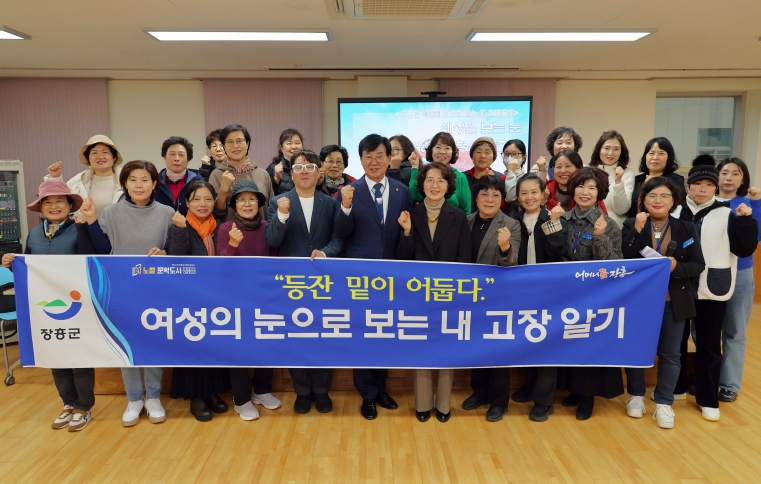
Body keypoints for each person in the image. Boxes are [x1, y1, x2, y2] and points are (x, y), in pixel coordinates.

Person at [77, 160, 175, 427]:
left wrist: (166, 252)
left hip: (156, 289)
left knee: (154, 344)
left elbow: (175, 247)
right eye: (133, 180)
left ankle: (153, 397)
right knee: (126, 344)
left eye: (144, 180)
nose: (138, 185)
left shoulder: (167, 213)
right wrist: (91, 219)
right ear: (125, 184)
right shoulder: (111, 212)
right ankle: (134, 399)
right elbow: (103, 248)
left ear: (154, 184)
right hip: (121, 289)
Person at [2, 180, 94, 432]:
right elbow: (27, 266)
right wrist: (11, 262)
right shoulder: (34, 234)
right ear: (41, 208)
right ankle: (68, 403)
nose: (54, 206)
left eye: (59, 201)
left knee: (80, 356)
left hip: (77, 304)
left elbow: (91, 260)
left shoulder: (79, 229)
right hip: (45, 306)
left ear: (69, 205)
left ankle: (84, 407)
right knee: (55, 356)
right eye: (48, 202)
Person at [334, 133, 412, 420]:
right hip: (361, 277)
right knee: (364, 335)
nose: (374, 161)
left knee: (385, 333)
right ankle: (366, 394)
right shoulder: (349, 191)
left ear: (390, 158)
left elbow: (403, 230)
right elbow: (341, 234)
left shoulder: (402, 191)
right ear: (361, 160)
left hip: (392, 276)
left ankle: (381, 389)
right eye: (368, 156)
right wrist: (345, 207)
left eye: (380, 155)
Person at [677, 157, 757, 422]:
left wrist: (746, 222)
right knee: (676, 341)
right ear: (688, 186)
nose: (703, 189)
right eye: (697, 183)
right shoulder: (676, 211)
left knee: (709, 344)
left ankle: (708, 397)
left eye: (709, 184)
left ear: (715, 188)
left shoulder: (727, 212)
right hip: (678, 285)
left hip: (712, 287)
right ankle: (676, 388)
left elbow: (744, 249)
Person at [621, 177, 705, 429]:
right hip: (639, 301)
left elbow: (698, 264)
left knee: (671, 354)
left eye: (664, 196)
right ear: (643, 200)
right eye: (652, 195)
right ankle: (636, 395)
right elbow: (623, 258)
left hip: (673, 301)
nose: (658, 201)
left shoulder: (686, 228)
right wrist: (636, 230)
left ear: (673, 201)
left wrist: (676, 266)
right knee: (636, 350)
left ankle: (664, 402)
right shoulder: (631, 223)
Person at [266, 149, 343, 414]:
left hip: (324, 282)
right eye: (299, 168)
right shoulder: (278, 201)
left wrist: (325, 253)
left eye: (310, 167)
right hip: (292, 284)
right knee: (295, 336)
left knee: (324, 336)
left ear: (320, 172)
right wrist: (282, 216)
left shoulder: (330, 203)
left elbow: (339, 239)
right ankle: (302, 391)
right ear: (291, 173)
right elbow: (272, 240)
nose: (305, 172)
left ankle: (321, 390)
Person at [397, 162, 471, 423]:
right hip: (418, 295)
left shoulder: (458, 215)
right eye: (430, 179)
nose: (435, 185)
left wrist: (455, 292)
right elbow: (402, 260)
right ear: (422, 184)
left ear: (449, 185)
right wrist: (407, 232)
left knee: (446, 349)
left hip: (448, 294)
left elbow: (464, 258)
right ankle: (423, 404)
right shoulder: (411, 214)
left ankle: (443, 405)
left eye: (441, 180)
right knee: (422, 348)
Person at [556, 167, 624, 420]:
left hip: (595, 297)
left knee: (588, 345)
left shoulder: (608, 224)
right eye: (581, 186)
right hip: (566, 294)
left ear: (600, 192)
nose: (585, 192)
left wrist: (599, 236)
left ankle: (587, 398)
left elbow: (615, 265)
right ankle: (573, 390)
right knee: (568, 342)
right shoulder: (563, 219)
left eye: (592, 188)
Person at [163, 179, 231, 422]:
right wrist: (180, 230)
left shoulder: (219, 227)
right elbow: (177, 260)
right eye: (196, 199)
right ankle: (196, 397)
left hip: (216, 297)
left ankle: (212, 392)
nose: (203, 204)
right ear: (187, 202)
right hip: (189, 298)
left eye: (208, 199)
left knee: (214, 346)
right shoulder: (179, 224)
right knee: (193, 347)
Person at [507, 173, 568, 421]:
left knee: (547, 344)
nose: (529, 197)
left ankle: (544, 401)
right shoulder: (513, 220)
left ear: (544, 195)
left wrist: (553, 224)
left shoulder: (554, 217)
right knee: (527, 340)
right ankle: (530, 387)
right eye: (524, 193)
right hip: (521, 292)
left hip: (549, 293)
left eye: (534, 192)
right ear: (518, 197)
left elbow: (558, 252)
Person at [460, 175, 520, 422]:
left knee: (497, 350)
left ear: (502, 199)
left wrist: (505, 247)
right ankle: (480, 393)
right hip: (469, 297)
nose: (490, 199)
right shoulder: (465, 221)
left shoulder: (511, 224)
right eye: (484, 193)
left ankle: (498, 402)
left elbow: (513, 262)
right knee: (475, 346)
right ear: (476, 197)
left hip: (497, 299)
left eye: (496, 194)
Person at [216, 180, 276, 420]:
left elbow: (275, 259)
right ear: (235, 205)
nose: (248, 204)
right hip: (236, 297)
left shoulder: (267, 226)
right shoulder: (225, 228)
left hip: (264, 295)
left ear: (259, 203)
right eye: (242, 200)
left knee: (266, 342)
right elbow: (221, 266)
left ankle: (261, 389)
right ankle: (241, 399)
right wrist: (232, 245)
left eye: (252, 199)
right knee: (238, 347)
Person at [715, 157, 761, 402]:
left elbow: (758, 235)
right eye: (724, 172)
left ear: (743, 179)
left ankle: (729, 385)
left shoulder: (749, 202)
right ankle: (707, 378)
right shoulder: (707, 201)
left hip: (741, 273)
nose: (729, 178)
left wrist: (757, 204)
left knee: (735, 331)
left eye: (735, 173)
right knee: (705, 330)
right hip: (711, 272)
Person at [45, 134, 125, 218]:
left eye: (105, 152)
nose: (100, 157)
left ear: (114, 157)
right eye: (94, 153)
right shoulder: (77, 182)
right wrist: (55, 178)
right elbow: (57, 199)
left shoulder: (127, 181)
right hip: (83, 226)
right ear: (88, 158)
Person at [209, 124, 275, 223]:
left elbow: (272, 210)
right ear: (224, 146)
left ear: (247, 144)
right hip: (231, 232)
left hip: (262, 231)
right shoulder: (217, 175)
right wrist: (223, 190)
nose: (235, 146)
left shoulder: (263, 174)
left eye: (239, 141)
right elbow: (215, 214)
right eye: (230, 142)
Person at [408, 131, 472, 213]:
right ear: (431, 150)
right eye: (438, 147)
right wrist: (414, 167)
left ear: (453, 152)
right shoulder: (424, 173)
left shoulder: (460, 177)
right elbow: (414, 195)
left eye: (447, 148)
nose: (442, 152)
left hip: (454, 221)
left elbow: (466, 211)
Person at [628, 137, 685, 218]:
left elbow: (679, 209)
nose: (655, 157)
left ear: (669, 157)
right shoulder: (636, 180)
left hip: (664, 225)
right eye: (651, 153)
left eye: (661, 153)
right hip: (635, 224)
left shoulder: (675, 180)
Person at [588, 130, 635, 227]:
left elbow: (621, 210)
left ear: (621, 152)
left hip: (613, 230)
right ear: (599, 149)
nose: (611, 153)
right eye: (607, 148)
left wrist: (618, 182)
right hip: (587, 228)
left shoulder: (627, 174)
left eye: (616, 149)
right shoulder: (587, 171)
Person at [155, 136, 205, 215]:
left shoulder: (198, 182)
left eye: (181, 155)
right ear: (164, 156)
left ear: (188, 158)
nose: (177, 159)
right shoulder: (155, 182)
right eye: (172, 154)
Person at [464, 137, 506, 211]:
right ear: (472, 155)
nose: (483, 156)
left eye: (487, 152)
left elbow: (503, 207)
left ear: (493, 157)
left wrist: (494, 183)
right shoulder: (462, 177)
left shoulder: (501, 178)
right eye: (478, 152)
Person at [266, 128, 304, 195]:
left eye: (297, 143)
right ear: (281, 148)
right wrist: (276, 179)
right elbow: (266, 194)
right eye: (289, 143)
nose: (294, 147)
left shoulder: (309, 166)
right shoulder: (273, 168)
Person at [502, 139, 528, 216]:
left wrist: (511, 172)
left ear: (523, 157)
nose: (510, 157)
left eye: (515, 154)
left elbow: (511, 198)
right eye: (506, 154)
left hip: (515, 218)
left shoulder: (525, 178)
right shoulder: (500, 176)